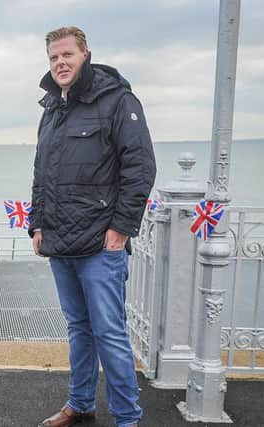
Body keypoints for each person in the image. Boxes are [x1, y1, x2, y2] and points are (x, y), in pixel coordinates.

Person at [29, 27, 156, 427]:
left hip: (102, 245)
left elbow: (140, 168)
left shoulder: (118, 100)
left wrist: (121, 228)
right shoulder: (51, 108)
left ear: (85, 55)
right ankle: (80, 403)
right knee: (79, 330)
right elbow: (42, 173)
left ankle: (127, 418)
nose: (60, 63)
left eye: (67, 54)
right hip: (60, 242)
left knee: (110, 334)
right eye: (53, 57)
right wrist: (37, 223)